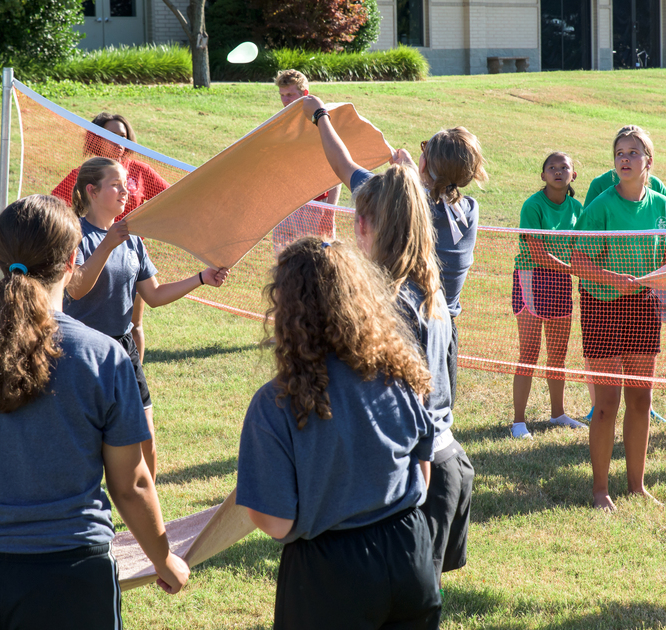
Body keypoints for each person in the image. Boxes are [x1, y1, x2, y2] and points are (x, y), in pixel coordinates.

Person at [0, 195, 189, 629]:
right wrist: (163, 559)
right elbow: (132, 483)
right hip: (69, 578)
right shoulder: (103, 356)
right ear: (72, 261)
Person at [305, 96, 474, 578]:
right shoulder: (434, 288)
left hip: (420, 474)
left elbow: (387, 405)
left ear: (367, 223)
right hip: (448, 460)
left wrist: (320, 117)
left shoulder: (392, 305)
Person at [237, 237, 441, 630]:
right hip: (411, 553)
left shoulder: (275, 404)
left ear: (286, 307)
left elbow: (275, 522)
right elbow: (424, 474)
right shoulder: (399, 374)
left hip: (329, 575)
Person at [64, 157, 229, 481]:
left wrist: (201, 277)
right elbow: (77, 288)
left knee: (146, 441)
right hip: (84, 351)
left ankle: (147, 513)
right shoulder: (74, 234)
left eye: (126, 184)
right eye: (116, 184)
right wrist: (108, 244)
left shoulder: (133, 240)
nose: (126, 190)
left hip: (124, 348)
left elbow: (153, 295)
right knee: (89, 442)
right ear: (92, 191)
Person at [569, 126, 666, 511]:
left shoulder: (661, 205)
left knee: (641, 399)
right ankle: (600, 490)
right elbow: (579, 262)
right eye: (619, 152)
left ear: (648, 161)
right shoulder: (599, 205)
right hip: (602, 306)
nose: (625, 159)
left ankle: (637, 486)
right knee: (606, 403)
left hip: (644, 307)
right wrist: (612, 279)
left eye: (634, 152)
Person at [53, 112, 170, 363]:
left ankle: (133, 377)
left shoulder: (140, 171)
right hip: (90, 256)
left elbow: (170, 201)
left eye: (124, 137)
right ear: (96, 138)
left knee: (132, 324)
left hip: (127, 258)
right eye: (111, 136)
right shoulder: (83, 175)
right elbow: (53, 209)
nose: (119, 142)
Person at [510, 152, 586, 439]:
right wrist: (578, 269)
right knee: (528, 353)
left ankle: (557, 414)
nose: (558, 171)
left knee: (558, 355)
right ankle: (519, 422)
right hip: (532, 278)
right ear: (543, 176)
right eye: (551, 168)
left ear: (573, 176)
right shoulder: (532, 206)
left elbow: (583, 248)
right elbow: (538, 253)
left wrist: (584, 268)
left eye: (564, 167)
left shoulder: (578, 208)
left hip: (562, 283)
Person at [272, 70, 340, 251]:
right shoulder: (279, 126)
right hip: (285, 206)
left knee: (317, 265)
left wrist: (329, 213)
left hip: (314, 207)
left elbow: (336, 172)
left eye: (290, 95)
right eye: (282, 95)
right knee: (283, 265)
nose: (285, 100)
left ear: (305, 94)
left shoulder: (321, 126)